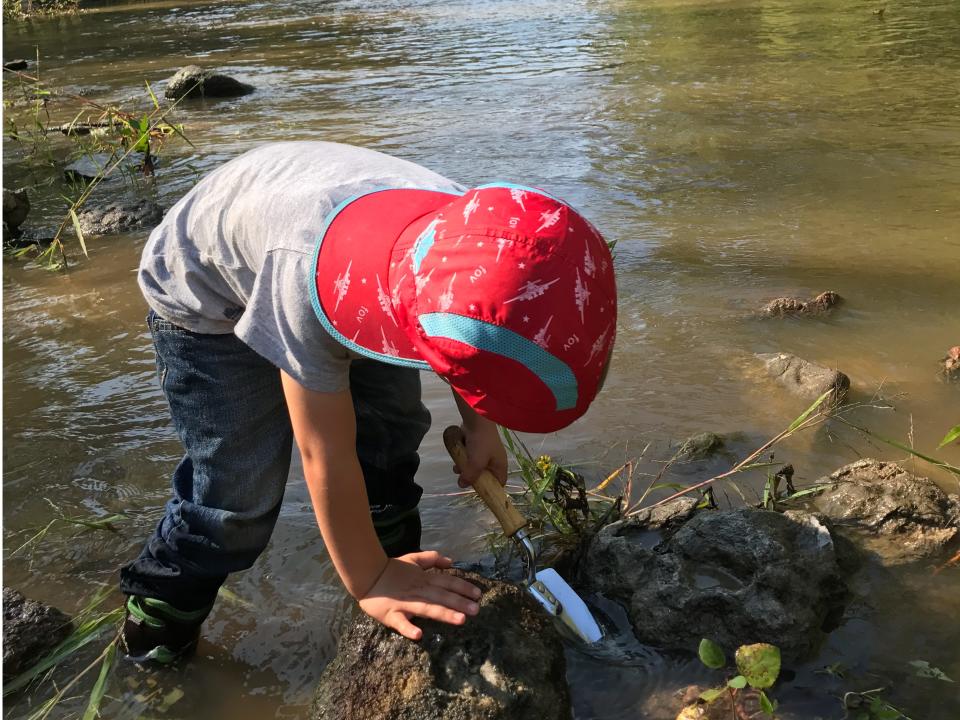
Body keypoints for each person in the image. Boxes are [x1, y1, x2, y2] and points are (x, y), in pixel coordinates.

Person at [120, 141, 617, 664]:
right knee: (236, 496)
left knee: (392, 431)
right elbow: (322, 452)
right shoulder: (303, 287)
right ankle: (157, 625)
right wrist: (369, 578)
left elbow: (482, 334)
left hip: (360, 255)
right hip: (208, 294)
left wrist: (481, 428)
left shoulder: (477, 236)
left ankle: (399, 553)